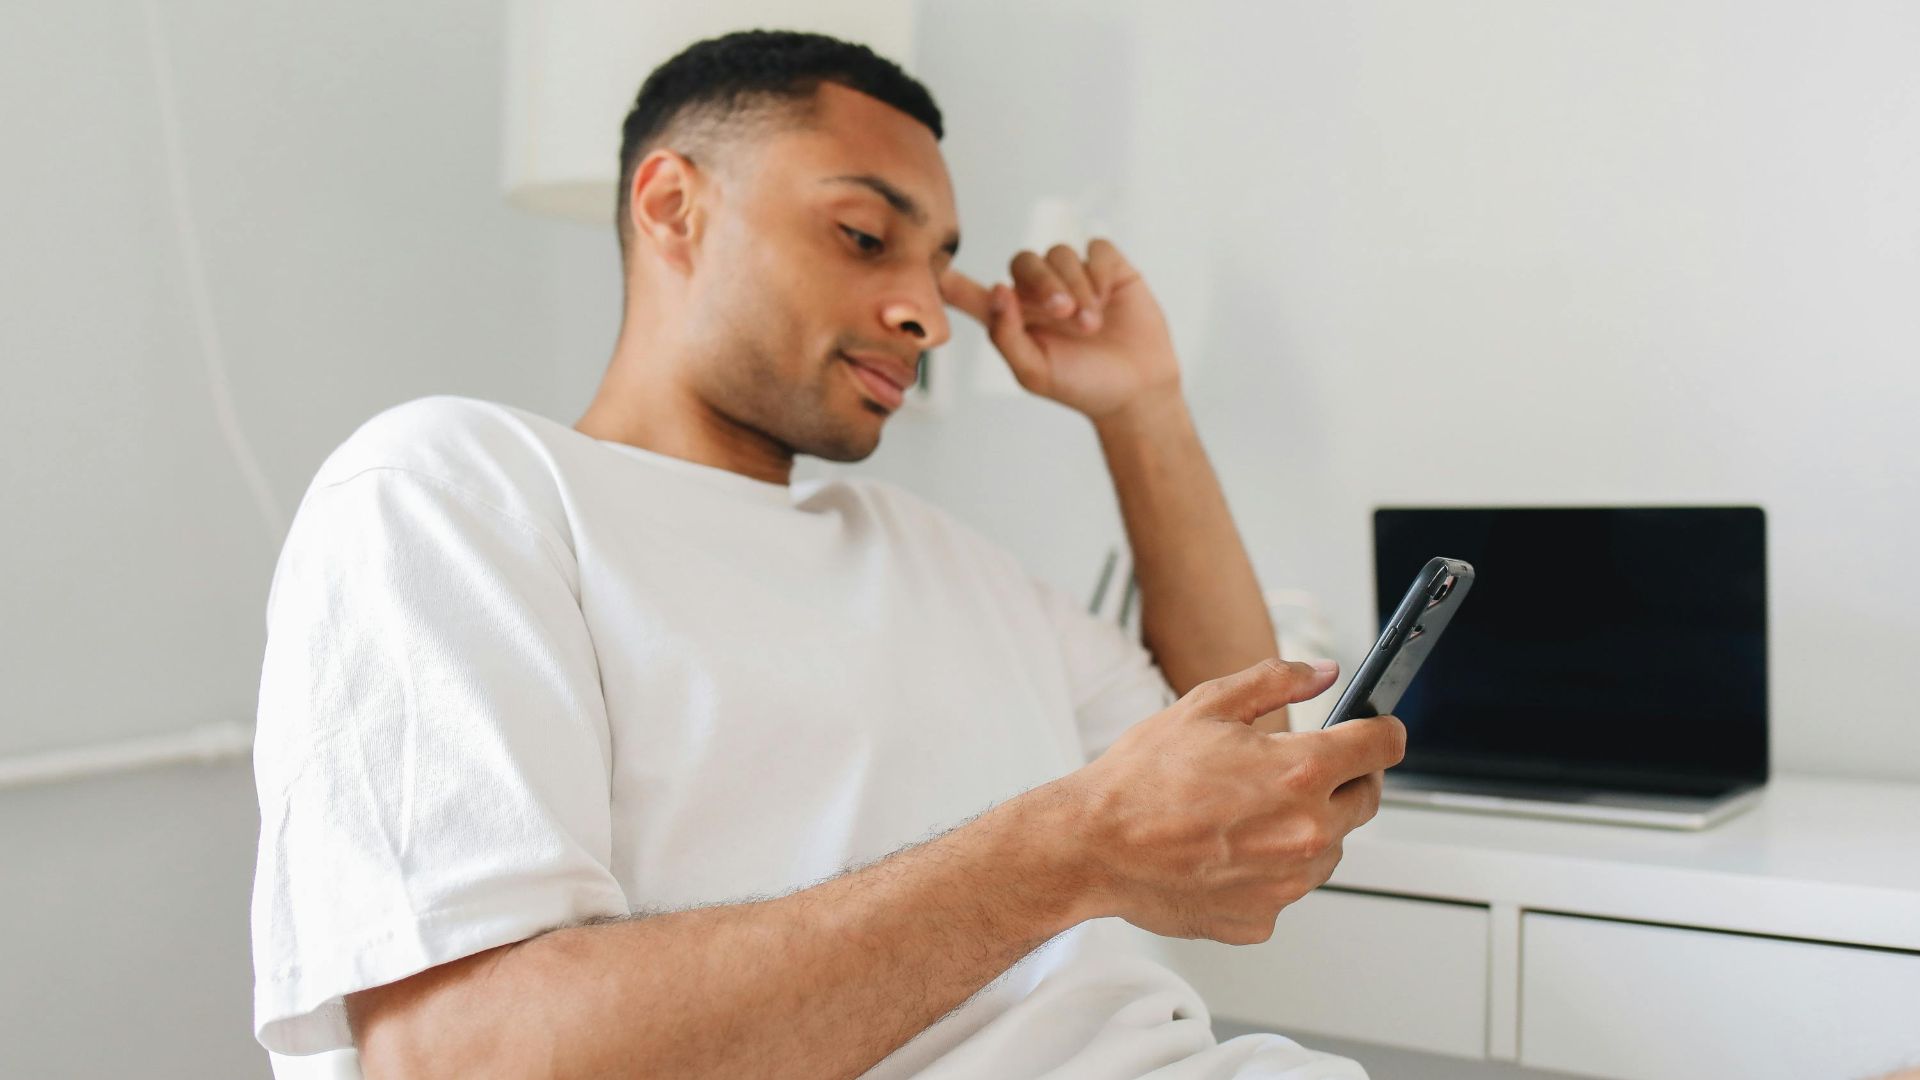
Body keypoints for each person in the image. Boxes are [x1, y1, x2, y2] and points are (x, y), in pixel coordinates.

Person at [249, 29, 1405, 1080]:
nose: (929, 315)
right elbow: (469, 1057)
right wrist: (1063, 852)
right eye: (863, 237)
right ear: (672, 207)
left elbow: (1254, 774)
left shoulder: (941, 557)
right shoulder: (457, 488)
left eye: (938, 264)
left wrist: (1141, 409)